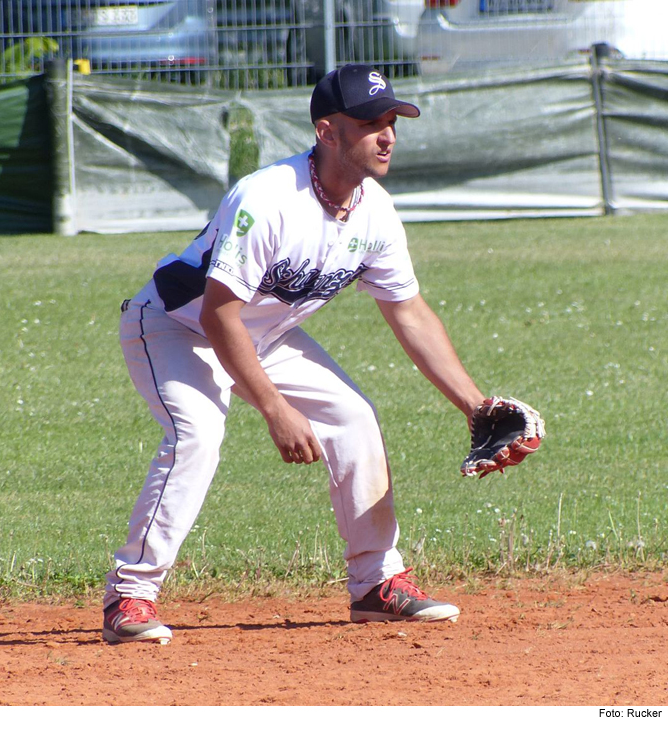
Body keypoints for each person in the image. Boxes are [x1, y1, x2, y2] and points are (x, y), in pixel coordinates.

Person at [102, 64, 486, 644]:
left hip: (261, 335)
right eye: (370, 124)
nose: (388, 137)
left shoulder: (375, 211)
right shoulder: (269, 198)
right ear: (327, 132)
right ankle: (130, 595)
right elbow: (217, 313)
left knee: (352, 416)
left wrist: (475, 406)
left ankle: (376, 584)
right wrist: (275, 408)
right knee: (198, 433)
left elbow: (408, 312)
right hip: (174, 327)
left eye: (392, 122)